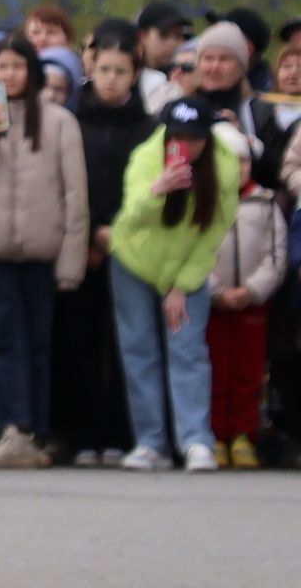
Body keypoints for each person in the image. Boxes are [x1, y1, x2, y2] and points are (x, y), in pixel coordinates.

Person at [0, 35, 88, 468]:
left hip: (42, 249)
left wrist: (71, 261)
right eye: (2, 67)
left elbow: (75, 196)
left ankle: (36, 430)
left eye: (17, 66)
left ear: (32, 71)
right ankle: (12, 428)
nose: (9, 75)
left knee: (38, 344)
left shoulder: (60, 121)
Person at [108, 98, 240, 472]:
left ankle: (196, 440)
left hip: (187, 269)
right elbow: (128, 220)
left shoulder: (225, 168)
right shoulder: (146, 157)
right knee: (139, 350)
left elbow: (213, 234)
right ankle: (151, 442)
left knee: (187, 350)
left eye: (193, 137)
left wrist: (180, 286)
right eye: (176, 136)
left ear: (207, 137)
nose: (184, 143)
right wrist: (157, 190)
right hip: (134, 262)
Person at [54, 23, 152, 465]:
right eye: (105, 68)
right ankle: (83, 435)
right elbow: (67, 184)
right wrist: (92, 230)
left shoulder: (149, 126)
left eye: (122, 70)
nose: (111, 78)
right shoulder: (73, 121)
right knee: (79, 340)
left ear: (135, 74)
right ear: (90, 68)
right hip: (82, 245)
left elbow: (147, 186)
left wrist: (118, 232)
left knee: (125, 342)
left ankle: (121, 433)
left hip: (131, 246)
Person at [206, 151, 288, 468]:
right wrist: (215, 290)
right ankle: (214, 434)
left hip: (252, 302)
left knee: (248, 372)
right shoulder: (205, 198)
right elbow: (193, 248)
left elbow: (276, 256)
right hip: (215, 301)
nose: (237, 168)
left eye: (243, 161)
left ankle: (243, 435)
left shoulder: (265, 203)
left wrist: (252, 290)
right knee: (215, 370)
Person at [188, 22, 285, 189]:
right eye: (208, 58)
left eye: (224, 59)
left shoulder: (260, 112)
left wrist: (247, 143)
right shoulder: (182, 107)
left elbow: (278, 176)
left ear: (242, 66)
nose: (214, 67)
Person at [135, 0, 192, 113]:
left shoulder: (184, 75)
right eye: (163, 35)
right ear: (142, 36)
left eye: (177, 35)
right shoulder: (126, 74)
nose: (172, 43)